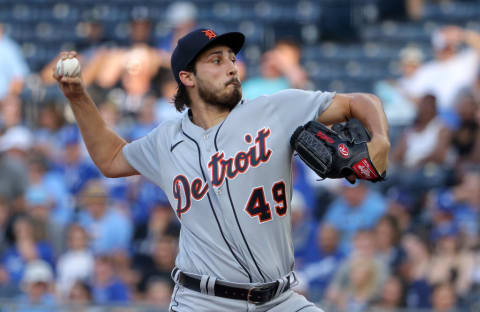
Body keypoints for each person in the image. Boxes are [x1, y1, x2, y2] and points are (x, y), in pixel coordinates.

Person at [54, 28, 389, 311]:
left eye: (231, 57)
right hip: (203, 300)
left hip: (280, 298)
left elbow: (358, 101)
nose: (231, 66)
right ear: (187, 77)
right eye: (216, 60)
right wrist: (79, 98)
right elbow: (111, 158)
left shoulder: (276, 110)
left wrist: (380, 141)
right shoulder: (166, 141)